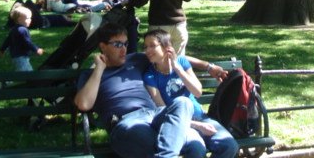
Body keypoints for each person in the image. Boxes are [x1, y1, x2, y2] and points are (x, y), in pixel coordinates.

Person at [74, 22, 227, 158]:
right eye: (117, 44)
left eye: (126, 44)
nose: (124, 50)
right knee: (158, 146)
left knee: (187, 115)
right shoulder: (91, 75)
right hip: (126, 122)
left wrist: (209, 66)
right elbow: (83, 104)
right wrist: (99, 70)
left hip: (155, 115)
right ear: (102, 46)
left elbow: (170, 54)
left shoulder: (136, 59)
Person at [142, 29, 238, 158]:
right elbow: (163, 110)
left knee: (229, 146)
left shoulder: (181, 62)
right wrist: (197, 126)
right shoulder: (149, 76)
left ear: (167, 48)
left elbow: (197, 92)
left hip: (200, 116)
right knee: (196, 150)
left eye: (152, 46)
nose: (147, 51)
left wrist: (178, 69)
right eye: (145, 47)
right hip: (179, 124)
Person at [0, 6, 44, 71]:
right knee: (24, 73)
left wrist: (2, 50)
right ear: (20, 19)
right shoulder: (22, 30)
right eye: (28, 18)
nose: (30, 20)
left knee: (26, 71)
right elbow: (28, 42)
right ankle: (10, 81)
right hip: (21, 56)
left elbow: (8, 40)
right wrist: (36, 49)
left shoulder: (13, 29)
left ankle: (16, 80)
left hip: (15, 55)